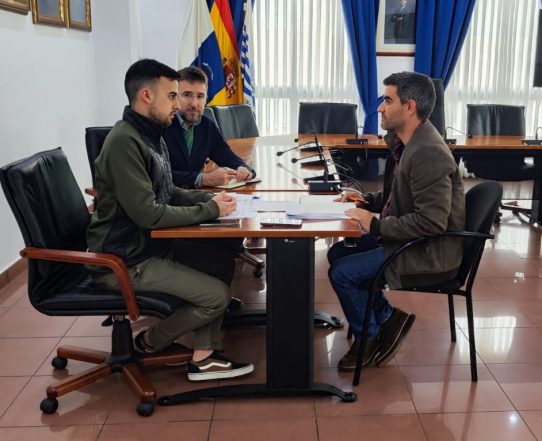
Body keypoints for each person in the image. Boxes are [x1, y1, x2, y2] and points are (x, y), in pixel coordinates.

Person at [86, 58, 254, 382]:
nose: (178, 105)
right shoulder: (125, 141)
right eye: (173, 96)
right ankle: (150, 341)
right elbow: (148, 213)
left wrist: (208, 199)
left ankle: (205, 355)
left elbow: (168, 189)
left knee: (220, 255)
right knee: (216, 296)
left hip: (144, 246)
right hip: (125, 258)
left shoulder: (150, 134)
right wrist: (210, 211)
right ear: (147, 96)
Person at [328, 71, 465, 372]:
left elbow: (432, 223)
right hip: (411, 241)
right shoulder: (407, 143)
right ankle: (389, 317)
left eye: (387, 100)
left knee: (343, 273)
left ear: (410, 107)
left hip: (429, 252)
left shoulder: (428, 152)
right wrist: (363, 202)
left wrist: (375, 225)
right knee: (339, 253)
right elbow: (397, 196)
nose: (379, 108)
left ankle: (370, 337)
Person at [163, 66, 255, 189]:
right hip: (167, 199)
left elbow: (226, 156)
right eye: (187, 95)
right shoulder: (162, 125)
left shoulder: (206, 126)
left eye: (200, 96)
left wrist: (243, 168)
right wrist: (203, 179)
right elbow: (158, 175)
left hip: (195, 196)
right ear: (175, 97)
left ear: (206, 98)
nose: (194, 103)